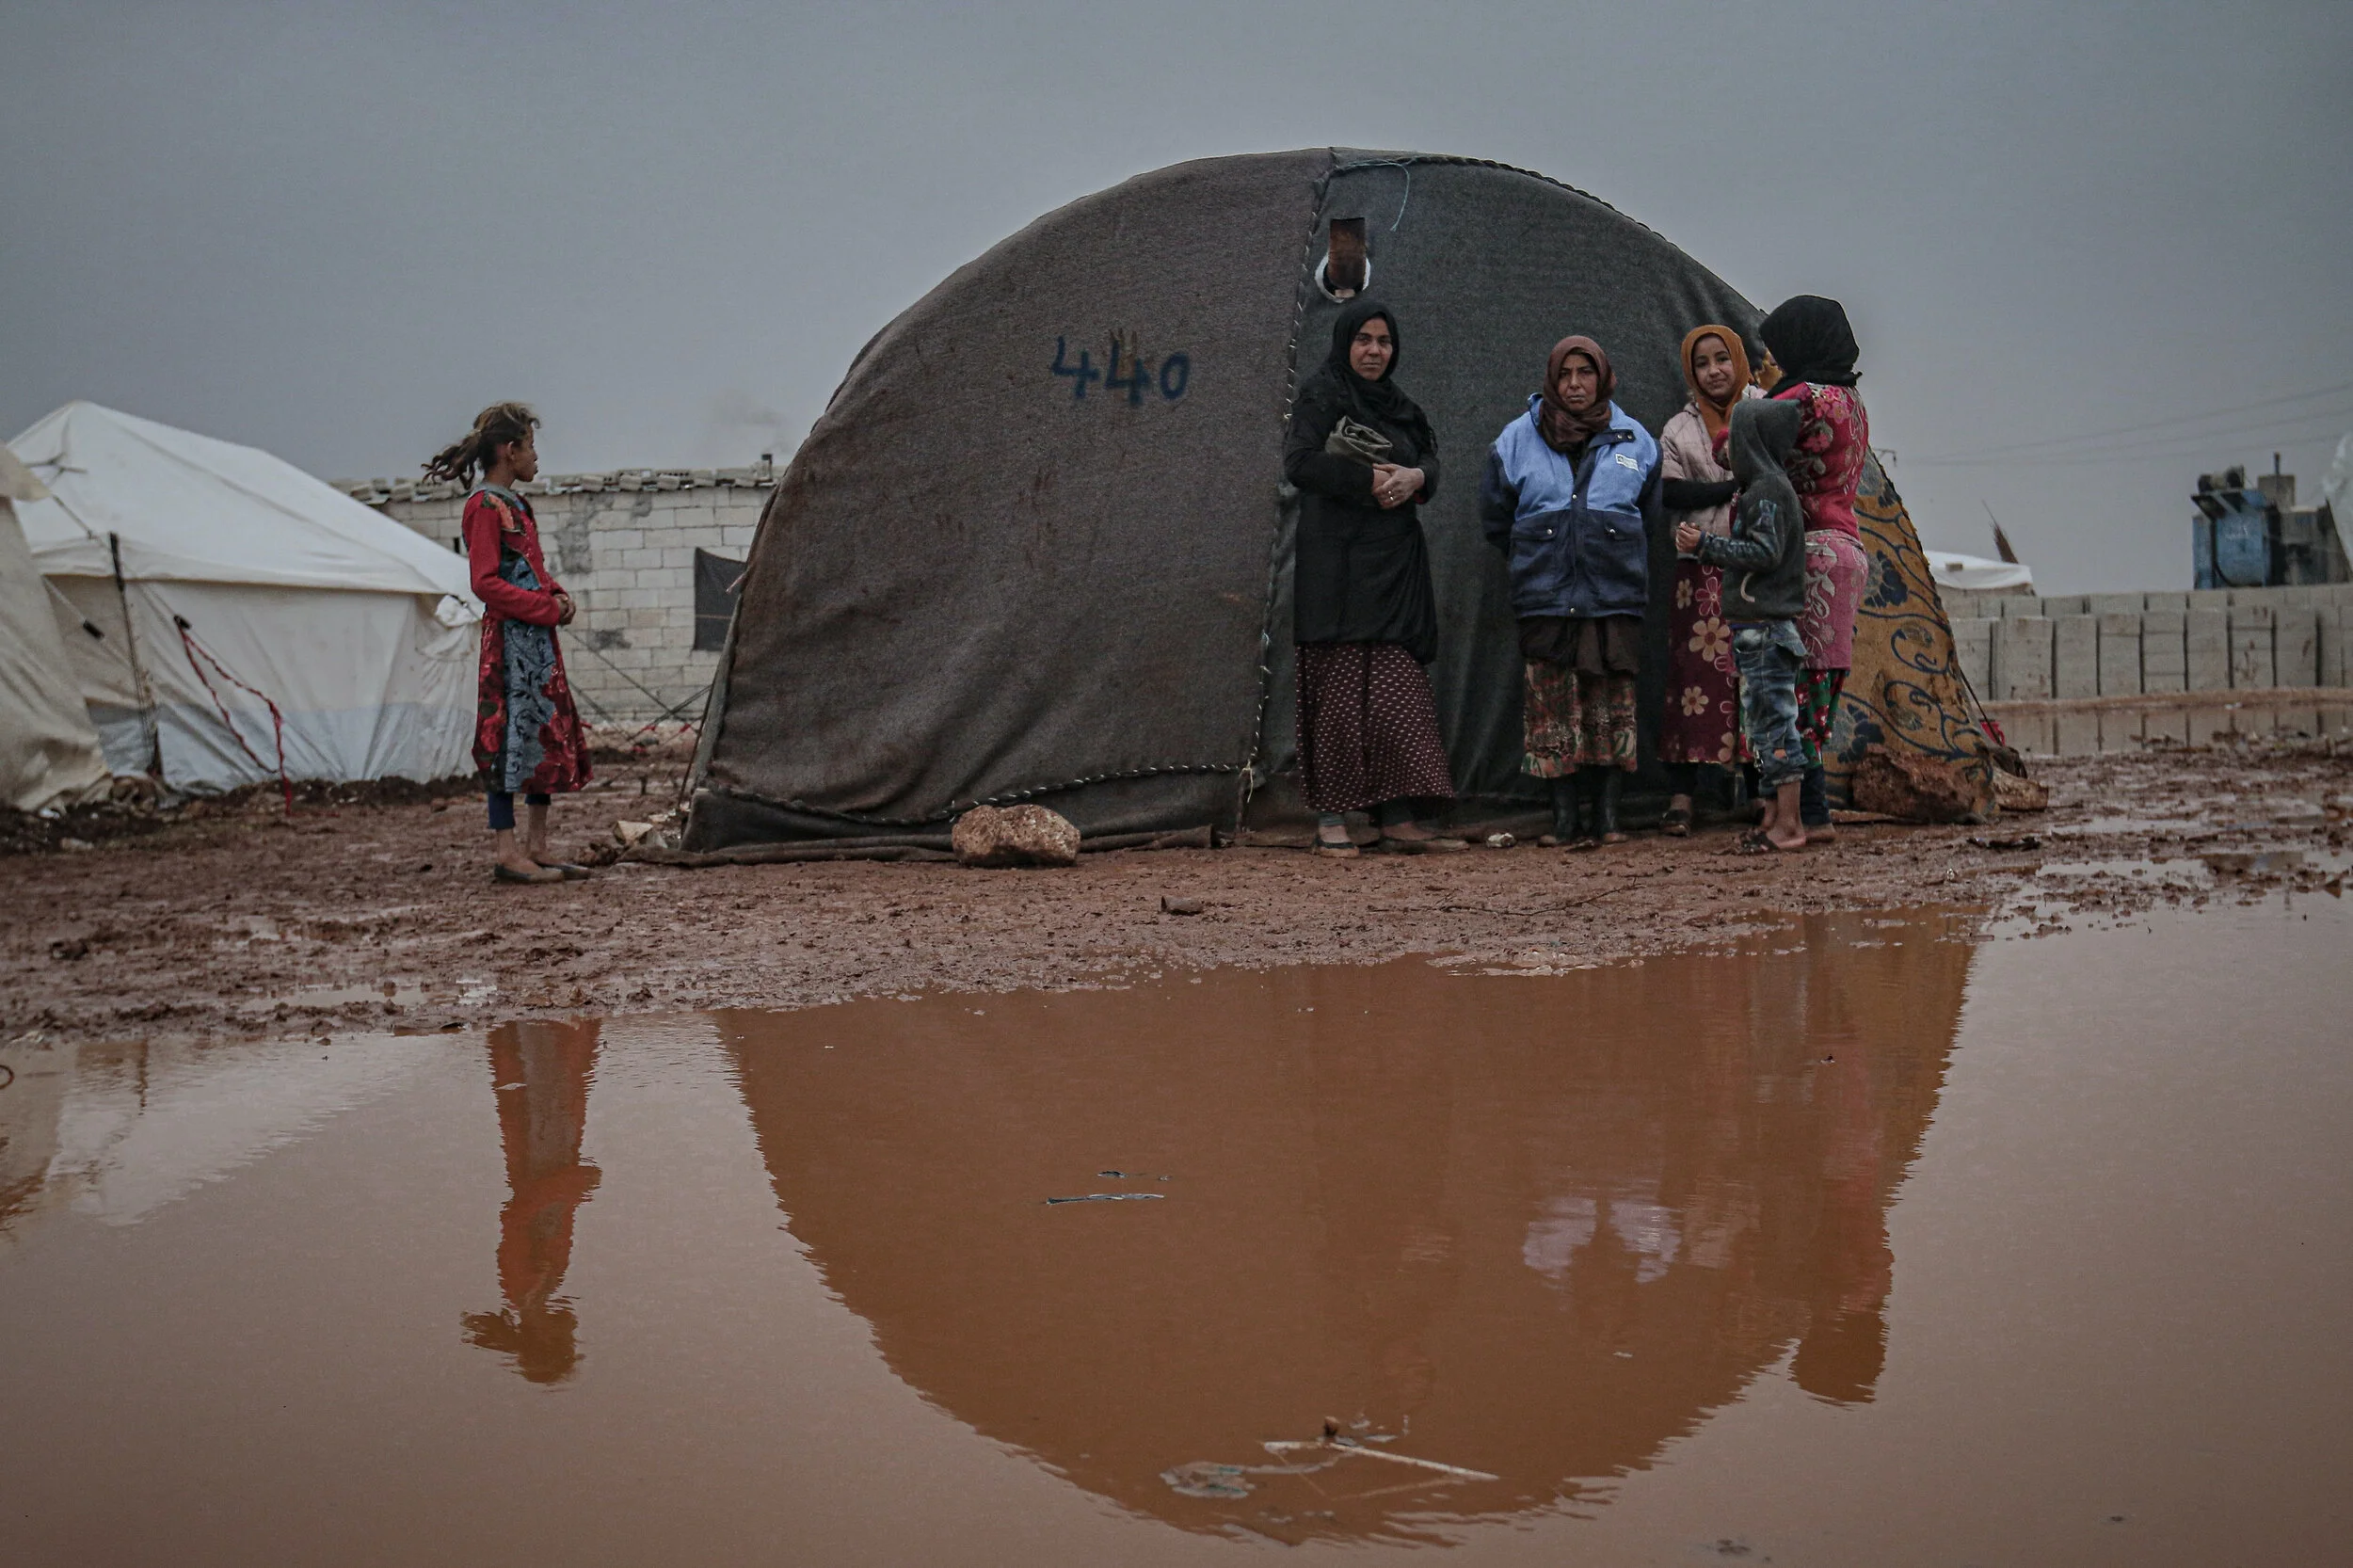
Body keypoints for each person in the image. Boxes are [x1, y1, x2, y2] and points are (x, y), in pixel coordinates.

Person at [1284, 300, 1462, 857]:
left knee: (1395, 694)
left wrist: (1415, 477)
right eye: (1363, 339)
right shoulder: (1321, 395)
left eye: (1384, 341)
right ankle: (1332, 818)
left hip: (1391, 568)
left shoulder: (1401, 408)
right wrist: (1368, 478)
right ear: (1344, 343)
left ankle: (1397, 815)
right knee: (1338, 693)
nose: (1374, 351)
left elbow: (1430, 458)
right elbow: (1300, 463)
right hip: (1335, 567)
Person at [1480, 336, 1659, 848]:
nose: (1575, 384)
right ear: (1551, 380)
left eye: (1585, 373)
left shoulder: (1635, 441)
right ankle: (1563, 821)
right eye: (1565, 375)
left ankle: (1607, 819)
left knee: (1610, 707)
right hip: (1547, 599)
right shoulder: (1514, 441)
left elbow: (1647, 515)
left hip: (1613, 598)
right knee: (1553, 709)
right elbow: (1497, 519)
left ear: (1602, 378)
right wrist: (1537, 560)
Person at [424, 403, 593, 884]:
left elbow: (531, 571)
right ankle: (506, 850)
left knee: (544, 734)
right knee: (505, 739)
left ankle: (537, 847)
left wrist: (556, 593)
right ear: (509, 450)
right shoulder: (483, 507)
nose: (537, 458)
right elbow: (485, 582)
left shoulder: (517, 505)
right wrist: (544, 609)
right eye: (531, 447)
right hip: (510, 646)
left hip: (537, 645)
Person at [1757, 296, 1871, 843]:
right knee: (1819, 691)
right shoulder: (1851, 399)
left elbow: (1738, 440)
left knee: (1790, 687)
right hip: (1846, 552)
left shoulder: (1801, 398)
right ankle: (1818, 815)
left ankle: (1797, 819)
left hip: (1808, 556)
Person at [1675, 398, 1810, 851]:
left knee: (1775, 727)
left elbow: (1766, 553)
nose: (1724, 444)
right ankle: (1772, 818)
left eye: (1733, 435)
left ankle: (1789, 825)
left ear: (1751, 441)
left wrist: (1707, 546)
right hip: (1757, 630)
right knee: (1764, 726)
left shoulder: (1766, 493)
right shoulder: (1761, 490)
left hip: (1767, 631)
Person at [1656, 326, 1760, 836]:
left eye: (1723, 359)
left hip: (1758, 568)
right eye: (1703, 364)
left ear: (1738, 361)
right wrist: (1736, 485)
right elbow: (1669, 494)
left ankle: (1763, 794)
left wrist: (1712, 492)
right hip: (1698, 574)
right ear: (1691, 373)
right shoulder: (1678, 429)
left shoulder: (1764, 413)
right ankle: (1683, 798)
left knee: (1761, 679)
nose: (1715, 370)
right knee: (1692, 683)